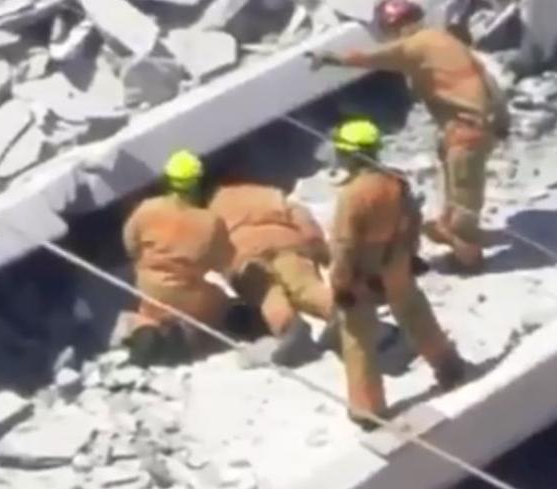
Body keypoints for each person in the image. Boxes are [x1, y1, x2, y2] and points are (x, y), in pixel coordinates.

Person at [309, 0, 509, 272]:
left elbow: (373, 58)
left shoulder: (414, 44)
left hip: (466, 129)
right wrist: (502, 119)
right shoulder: (446, 40)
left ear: (395, 25)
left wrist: (331, 58)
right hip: (474, 127)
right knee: (455, 189)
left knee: (464, 198)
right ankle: (448, 229)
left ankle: (468, 258)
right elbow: (489, 82)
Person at [327, 118, 466, 430]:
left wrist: (341, 284)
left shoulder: (352, 195)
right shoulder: (396, 181)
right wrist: (411, 254)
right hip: (396, 261)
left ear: (351, 155)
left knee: (358, 338)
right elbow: (412, 220)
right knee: (416, 314)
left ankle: (367, 408)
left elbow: (345, 246)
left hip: (362, 271)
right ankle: (449, 367)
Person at [208, 174, 335, 368]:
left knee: (268, 294)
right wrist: (318, 248)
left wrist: (224, 268)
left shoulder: (210, 210)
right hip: (286, 242)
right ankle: (340, 314)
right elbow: (301, 216)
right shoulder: (269, 194)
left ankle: (290, 328)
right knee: (307, 286)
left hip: (245, 253)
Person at [122, 150, 234, 367]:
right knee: (217, 301)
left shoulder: (146, 209)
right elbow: (223, 261)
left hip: (151, 289)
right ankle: (186, 336)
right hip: (187, 293)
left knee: (145, 312)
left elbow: (130, 245)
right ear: (197, 181)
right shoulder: (210, 222)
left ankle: (146, 329)